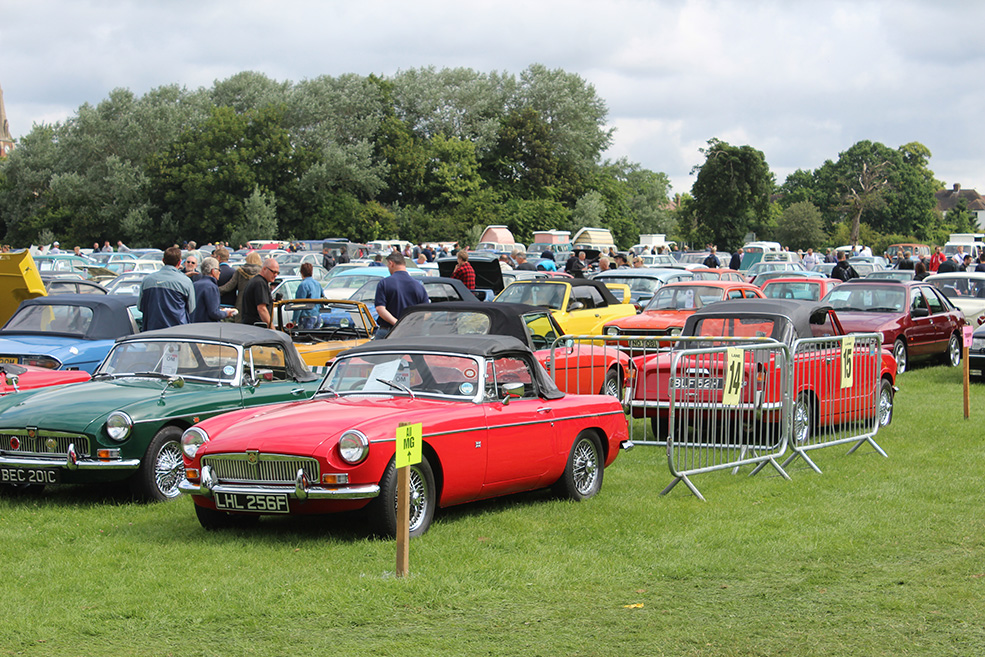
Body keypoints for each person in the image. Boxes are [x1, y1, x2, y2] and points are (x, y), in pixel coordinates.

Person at [138, 246, 196, 331]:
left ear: (163, 260)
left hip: (151, 333)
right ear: (179, 262)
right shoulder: (185, 281)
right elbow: (191, 308)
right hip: (177, 332)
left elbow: (140, 307)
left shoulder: (147, 280)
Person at [374, 252, 429, 338]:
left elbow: (380, 309)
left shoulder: (384, 283)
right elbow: (426, 313)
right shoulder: (418, 285)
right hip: (411, 332)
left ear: (391, 263)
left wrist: (398, 324)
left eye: (388, 265)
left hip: (388, 331)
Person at [191, 258, 237, 323]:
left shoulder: (195, 284)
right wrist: (226, 313)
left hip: (194, 324)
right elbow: (214, 313)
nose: (220, 272)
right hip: (208, 326)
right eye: (218, 270)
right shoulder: (211, 287)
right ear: (213, 271)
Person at [240, 258, 279, 328]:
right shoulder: (260, 283)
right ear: (264, 269)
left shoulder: (257, 281)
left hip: (250, 327)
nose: (275, 275)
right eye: (273, 272)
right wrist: (272, 329)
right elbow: (262, 309)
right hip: (256, 328)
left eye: (277, 273)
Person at [294, 262, 324, 328]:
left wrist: (294, 320)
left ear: (301, 272)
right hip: (317, 315)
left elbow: (299, 304)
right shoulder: (317, 284)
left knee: (305, 337)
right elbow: (323, 297)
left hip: (307, 317)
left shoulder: (303, 285)